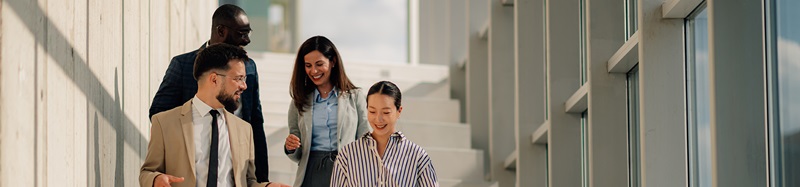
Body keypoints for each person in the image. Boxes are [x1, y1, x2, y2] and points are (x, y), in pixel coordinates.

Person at [148, 4, 270, 183]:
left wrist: (263, 180)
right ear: (221, 31)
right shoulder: (183, 64)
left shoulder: (249, 67)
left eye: (248, 33)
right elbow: (159, 113)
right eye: (241, 33)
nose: (246, 40)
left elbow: (255, 122)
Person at [139, 44, 289, 187]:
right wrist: (155, 179)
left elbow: (248, 182)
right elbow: (147, 172)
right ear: (214, 79)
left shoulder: (244, 129)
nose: (244, 86)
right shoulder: (165, 122)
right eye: (238, 78)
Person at [283, 36, 370, 187]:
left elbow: (365, 139)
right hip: (310, 172)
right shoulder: (299, 101)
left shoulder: (355, 97)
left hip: (347, 170)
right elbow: (297, 154)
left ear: (333, 62)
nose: (313, 71)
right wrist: (290, 147)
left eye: (319, 64)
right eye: (308, 65)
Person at [330, 81, 439, 187]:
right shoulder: (348, 155)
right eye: (372, 111)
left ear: (399, 111)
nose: (378, 119)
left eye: (386, 112)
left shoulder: (417, 156)